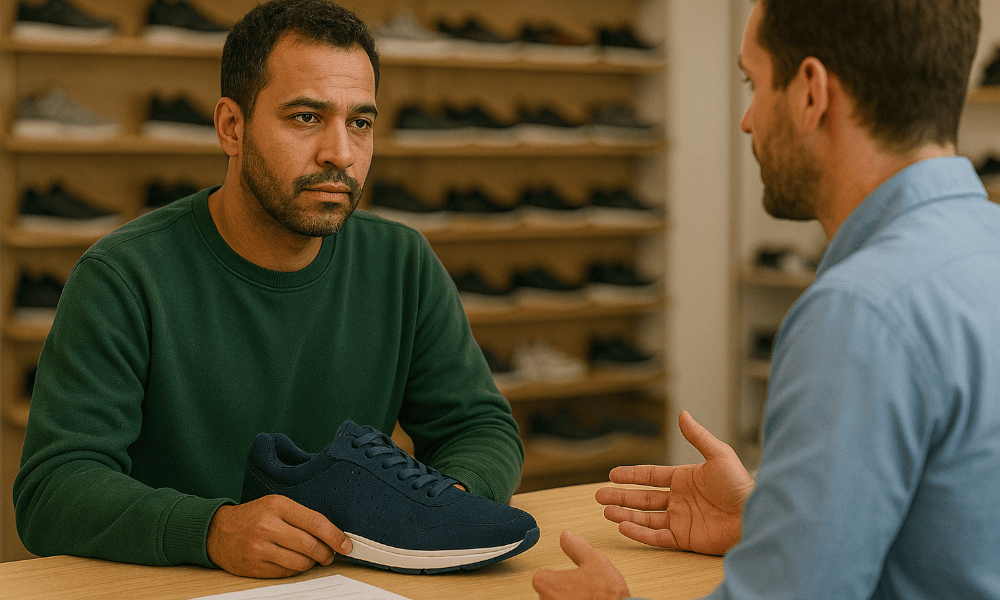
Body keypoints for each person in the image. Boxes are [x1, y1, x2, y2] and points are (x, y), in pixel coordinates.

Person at [14, 0, 523, 579]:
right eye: (306, 117)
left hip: (349, 583)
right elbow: (52, 491)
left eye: (360, 122)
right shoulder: (123, 275)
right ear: (232, 126)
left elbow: (479, 427)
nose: (341, 153)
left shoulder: (402, 260)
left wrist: (443, 500)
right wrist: (210, 530)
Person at [534, 0, 1000, 598]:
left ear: (811, 92)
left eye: (754, 84)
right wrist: (775, 519)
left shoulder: (861, 312)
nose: (748, 119)